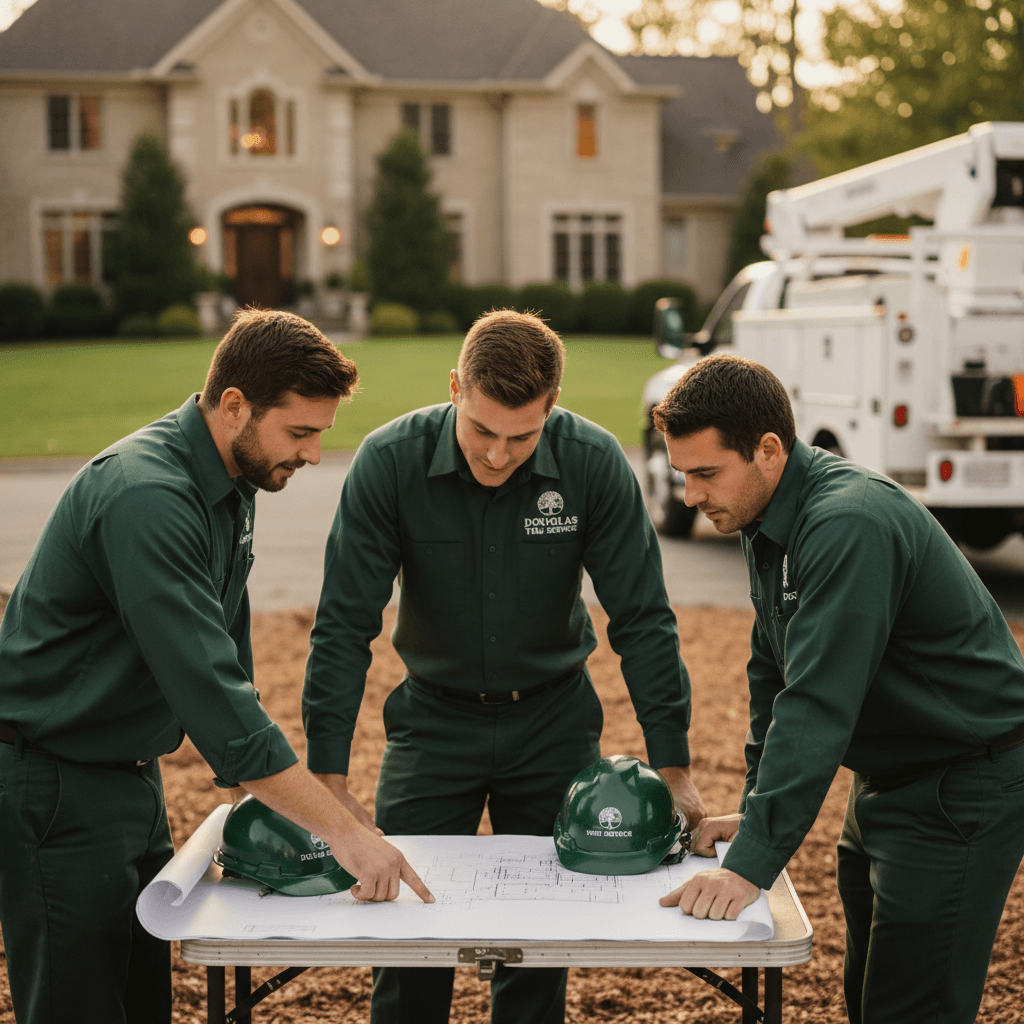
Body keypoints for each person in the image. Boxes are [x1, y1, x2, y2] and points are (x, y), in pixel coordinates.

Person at [0, 309, 433, 1024]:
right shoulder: (147, 494)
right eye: (300, 432)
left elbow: (228, 645)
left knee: (143, 1006)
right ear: (234, 405)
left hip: (129, 778)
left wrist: (246, 794)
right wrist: (347, 834)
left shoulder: (230, 479)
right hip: (53, 785)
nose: (317, 454)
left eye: (321, 432)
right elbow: (207, 686)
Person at [303, 309, 707, 1024]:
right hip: (432, 722)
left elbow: (642, 619)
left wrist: (673, 768)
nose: (497, 455)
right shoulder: (389, 462)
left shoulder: (593, 462)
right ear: (455, 387)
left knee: (540, 943)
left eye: (521, 437)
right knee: (406, 937)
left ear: (551, 406)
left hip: (554, 721)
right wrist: (329, 781)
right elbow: (343, 628)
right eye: (482, 430)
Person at [652, 352, 1024, 1024]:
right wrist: (756, 812)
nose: (690, 496)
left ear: (769, 450)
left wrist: (750, 867)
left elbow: (818, 702)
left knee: (915, 1006)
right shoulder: (765, 514)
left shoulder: (847, 522)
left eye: (705, 474)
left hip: (962, 784)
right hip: (889, 777)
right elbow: (774, 674)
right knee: (869, 994)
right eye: (683, 474)